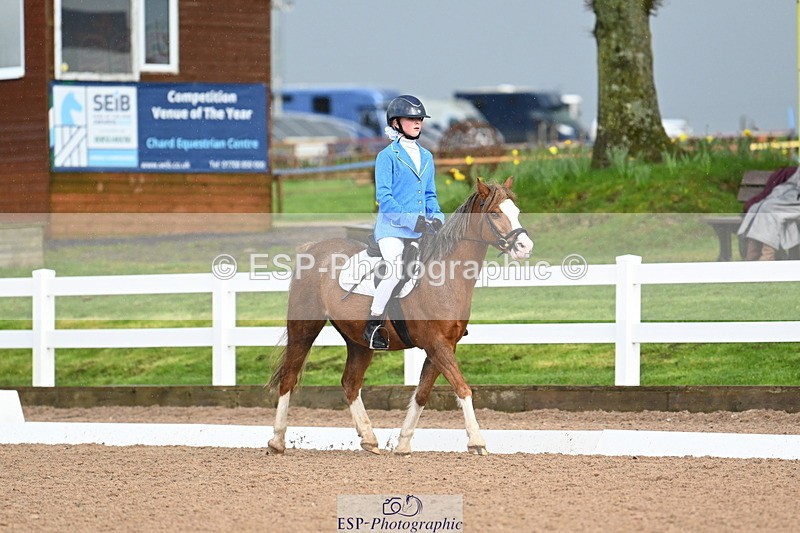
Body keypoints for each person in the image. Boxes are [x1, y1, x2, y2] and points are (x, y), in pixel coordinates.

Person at [363, 95, 444, 350]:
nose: (418, 123)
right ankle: (373, 323)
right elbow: (385, 199)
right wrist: (412, 221)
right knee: (395, 270)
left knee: (441, 268)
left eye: (419, 119)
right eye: (411, 119)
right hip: (392, 230)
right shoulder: (387, 157)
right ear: (396, 123)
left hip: (420, 229)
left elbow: (430, 195)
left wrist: (437, 217)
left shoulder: (427, 156)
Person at [738, 166, 800, 260]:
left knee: (770, 211)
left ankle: (767, 257)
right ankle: (752, 256)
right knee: (755, 208)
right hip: (790, 194)